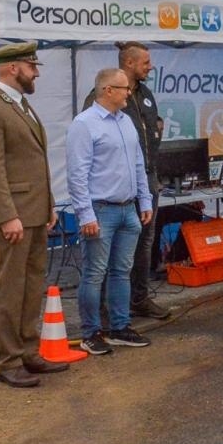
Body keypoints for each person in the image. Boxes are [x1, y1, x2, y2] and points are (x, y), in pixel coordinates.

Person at [0, 42, 65, 388]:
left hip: (34, 213)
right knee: (9, 290)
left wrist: (48, 204)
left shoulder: (21, 105)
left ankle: (27, 352)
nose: (36, 71)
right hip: (13, 217)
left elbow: (35, 162)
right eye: (31, 65)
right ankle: (7, 361)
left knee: (31, 285)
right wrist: (8, 216)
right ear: (12, 68)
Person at [67, 68, 157, 355]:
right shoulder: (85, 124)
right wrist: (85, 214)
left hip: (128, 209)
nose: (128, 93)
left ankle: (119, 327)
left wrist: (144, 200)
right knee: (95, 273)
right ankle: (90, 332)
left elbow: (138, 165)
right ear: (107, 91)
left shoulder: (126, 121)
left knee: (121, 271)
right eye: (123, 89)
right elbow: (76, 174)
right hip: (100, 209)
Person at [113, 42, 170, 320]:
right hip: (123, 183)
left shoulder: (145, 93)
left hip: (149, 177)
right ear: (130, 63)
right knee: (120, 244)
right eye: (146, 62)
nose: (151, 66)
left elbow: (153, 123)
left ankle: (140, 298)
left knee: (146, 241)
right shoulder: (106, 93)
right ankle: (112, 306)